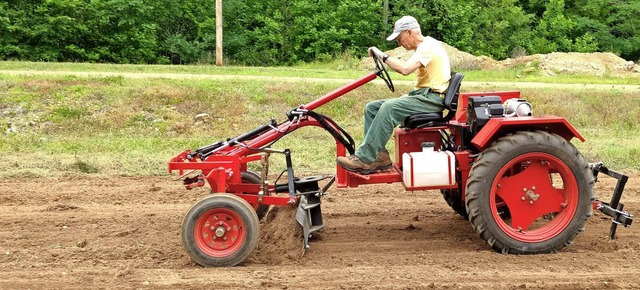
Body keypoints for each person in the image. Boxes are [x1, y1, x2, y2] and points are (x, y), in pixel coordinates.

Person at [336, 15, 451, 174]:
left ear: (409, 32)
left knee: (389, 107)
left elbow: (405, 69)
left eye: (399, 38)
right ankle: (379, 157)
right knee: (372, 108)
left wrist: (382, 55)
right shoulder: (424, 47)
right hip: (423, 95)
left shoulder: (428, 46)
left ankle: (364, 158)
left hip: (432, 99)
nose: (398, 43)